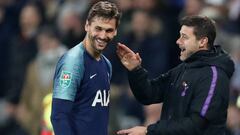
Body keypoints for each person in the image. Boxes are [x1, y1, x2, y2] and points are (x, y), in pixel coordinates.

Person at [116, 15, 235, 135]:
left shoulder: (214, 76)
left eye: (184, 37)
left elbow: (196, 125)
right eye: (179, 36)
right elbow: (149, 94)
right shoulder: (182, 69)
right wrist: (135, 70)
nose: (178, 41)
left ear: (202, 41)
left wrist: (149, 130)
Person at [50, 1, 121, 135]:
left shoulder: (106, 64)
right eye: (98, 28)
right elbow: (59, 116)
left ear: (115, 31)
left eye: (109, 30)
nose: (102, 36)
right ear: (87, 25)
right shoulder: (73, 62)